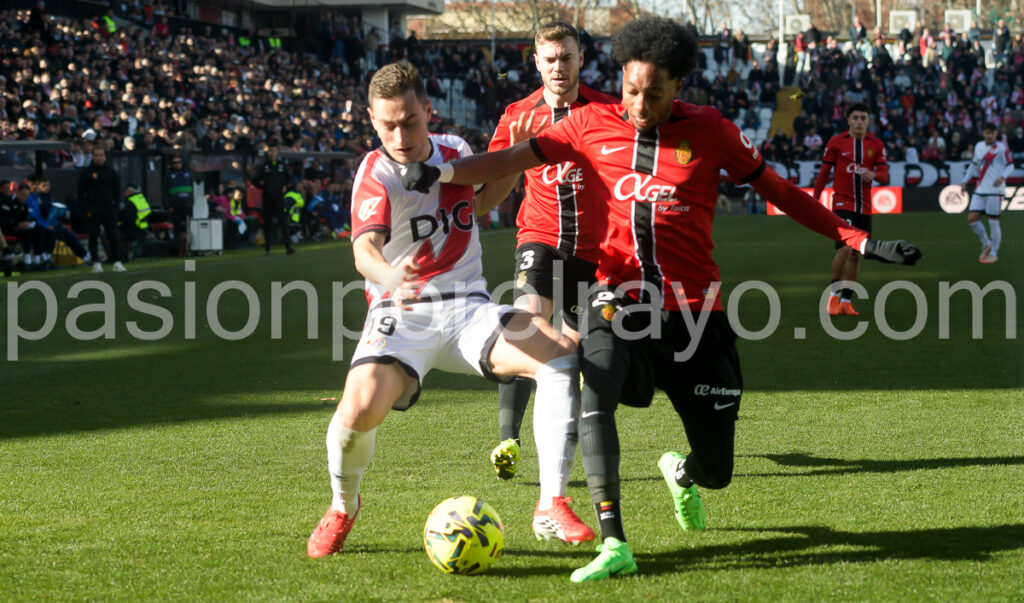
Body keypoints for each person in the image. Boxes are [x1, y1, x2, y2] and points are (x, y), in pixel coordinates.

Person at [400, 17, 921, 582]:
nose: (640, 104)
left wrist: (855, 236)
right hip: (616, 300)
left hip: (697, 317)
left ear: (678, 87)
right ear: (620, 78)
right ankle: (613, 540)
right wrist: (438, 171)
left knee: (718, 468)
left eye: (654, 93)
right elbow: (505, 162)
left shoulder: (712, 130)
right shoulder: (589, 123)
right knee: (592, 387)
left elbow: (780, 190)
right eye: (630, 89)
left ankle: (684, 473)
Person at [306, 62, 594, 559]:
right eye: (388, 125)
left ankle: (551, 503)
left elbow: (481, 204)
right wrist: (394, 277)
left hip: (467, 308)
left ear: (427, 112)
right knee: (357, 409)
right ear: (372, 120)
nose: (400, 135)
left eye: (410, 122)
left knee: (561, 355)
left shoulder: (455, 151)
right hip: (402, 313)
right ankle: (342, 505)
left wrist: (512, 163)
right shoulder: (375, 174)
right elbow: (363, 252)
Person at [484, 21, 618, 482]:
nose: (558, 67)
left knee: (567, 351)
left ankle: (559, 446)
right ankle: (509, 437)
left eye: (566, 57)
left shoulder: (608, 111)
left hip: (592, 249)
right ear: (536, 62)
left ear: (581, 58)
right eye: (550, 59)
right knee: (524, 329)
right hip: (538, 238)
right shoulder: (518, 114)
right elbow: (490, 190)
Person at [813, 102, 889, 316]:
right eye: (855, 118)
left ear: (868, 121)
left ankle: (846, 301)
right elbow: (824, 173)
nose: (859, 122)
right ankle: (833, 296)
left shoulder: (876, 145)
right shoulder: (836, 143)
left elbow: (885, 175)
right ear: (848, 120)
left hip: (864, 208)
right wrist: (815, 199)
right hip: (841, 204)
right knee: (845, 248)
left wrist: (874, 175)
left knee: (856, 255)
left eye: (863, 118)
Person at [962, 122, 1012, 264]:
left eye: (992, 133)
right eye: (987, 132)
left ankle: (994, 253)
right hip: (980, 189)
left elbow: (1011, 165)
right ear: (983, 133)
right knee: (972, 218)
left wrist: (1002, 178)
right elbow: (973, 165)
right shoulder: (978, 146)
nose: (989, 135)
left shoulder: (1001, 148)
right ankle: (986, 243)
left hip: (995, 191)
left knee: (993, 221)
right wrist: (965, 181)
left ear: (996, 134)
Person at [77, 147, 126, 272]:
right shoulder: (86, 173)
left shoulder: (111, 172)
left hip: (109, 208)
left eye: (101, 155)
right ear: (92, 157)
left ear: (105, 156)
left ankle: (117, 261)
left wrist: (116, 205)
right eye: (96, 155)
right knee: (93, 236)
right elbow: (80, 192)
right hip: (93, 208)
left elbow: (116, 190)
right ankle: (96, 262)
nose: (99, 157)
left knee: (113, 235)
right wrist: (84, 209)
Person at [255, 143, 295, 255]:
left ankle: (288, 247)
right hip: (267, 198)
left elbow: (289, 179)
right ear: (268, 152)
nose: (272, 153)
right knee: (267, 223)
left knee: (283, 222)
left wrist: (285, 187)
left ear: (277, 152)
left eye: (274, 150)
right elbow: (255, 179)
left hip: (279, 197)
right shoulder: (264, 166)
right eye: (270, 150)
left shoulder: (282, 165)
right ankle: (268, 248)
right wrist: (264, 187)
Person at [166, 155, 193, 255]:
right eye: (175, 162)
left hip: (187, 205)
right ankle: (178, 251)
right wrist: (168, 205)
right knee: (177, 230)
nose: (177, 164)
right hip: (176, 206)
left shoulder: (188, 173)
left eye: (179, 162)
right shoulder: (169, 175)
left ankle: (189, 249)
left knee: (189, 228)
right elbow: (165, 191)